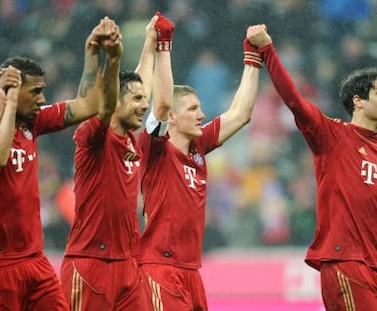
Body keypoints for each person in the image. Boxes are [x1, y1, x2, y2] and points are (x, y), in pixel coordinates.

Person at [0, 17, 114, 310]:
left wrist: (93, 53)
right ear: (12, 93)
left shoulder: (34, 120)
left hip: (34, 261)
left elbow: (87, 105)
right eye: (35, 92)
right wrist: (6, 106)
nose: (42, 99)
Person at [247, 24, 377, 310]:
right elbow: (293, 100)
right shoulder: (332, 135)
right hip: (348, 261)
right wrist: (267, 49)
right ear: (358, 101)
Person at [137, 33, 262, 309]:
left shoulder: (199, 147)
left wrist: (253, 59)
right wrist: (164, 48)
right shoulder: (155, 149)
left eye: (201, 108)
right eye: (193, 108)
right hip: (160, 268)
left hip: (191, 270)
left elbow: (241, 114)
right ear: (172, 116)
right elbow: (160, 104)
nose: (201, 114)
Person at [59, 12, 175, 310]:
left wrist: (150, 41)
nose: (144, 105)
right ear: (115, 105)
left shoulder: (130, 138)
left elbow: (139, 84)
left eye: (144, 99)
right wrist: (112, 59)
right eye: (136, 100)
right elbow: (109, 100)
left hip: (127, 263)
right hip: (89, 264)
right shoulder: (94, 136)